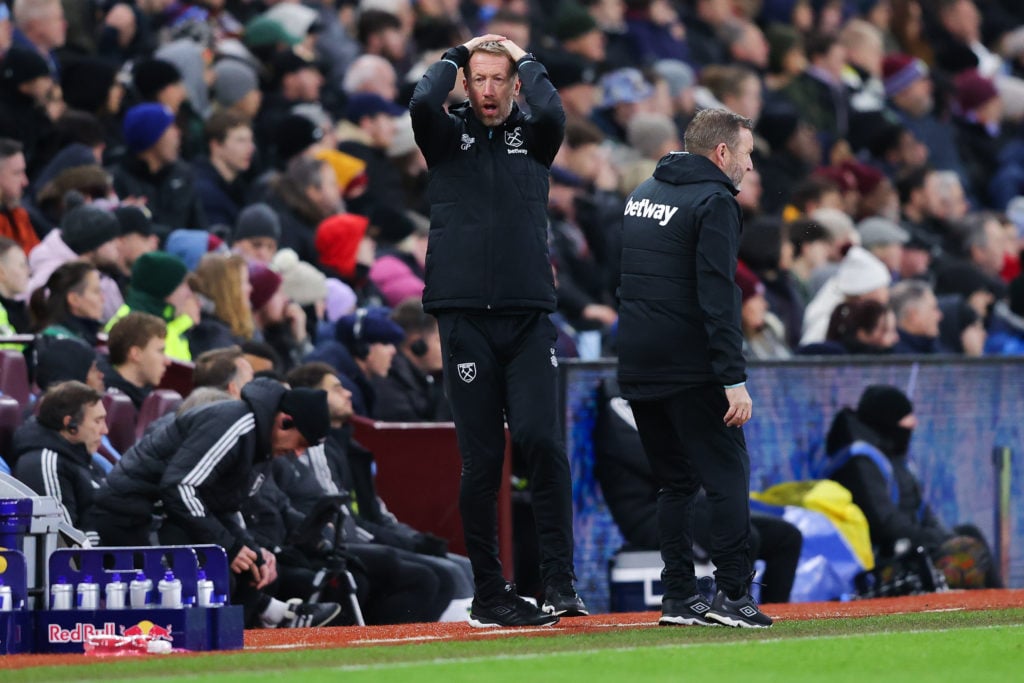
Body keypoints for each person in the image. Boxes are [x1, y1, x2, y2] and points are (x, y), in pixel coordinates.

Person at [410, 33, 586, 627]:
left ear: (515, 84)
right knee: (482, 460)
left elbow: (556, 110)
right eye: (477, 79)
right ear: (466, 82)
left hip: (530, 315)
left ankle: (560, 580)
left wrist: (523, 56)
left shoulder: (535, 138)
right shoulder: (444, 136)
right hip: (463, 317)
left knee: (541, 441)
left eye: (498, 79)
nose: (486, 90)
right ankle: (490, 592)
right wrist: (457, 55)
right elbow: (418, 104)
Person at [616, 108, 772, 628]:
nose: (749, 166)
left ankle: (680, 596)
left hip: (638, 360)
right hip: (691, 365)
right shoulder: (714, 202)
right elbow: (718, 297)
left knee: (674, 484)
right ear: (722, 152)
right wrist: (733, 378)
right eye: (747, 153)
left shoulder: (642, 193)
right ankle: (732, 594)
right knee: (727, 475)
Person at [87, 377, 342, 628]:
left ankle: (259, 630)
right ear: (285, 421)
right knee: (217, 573)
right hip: (130, 515)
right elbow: (180, 486)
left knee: (252, 569)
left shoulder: (260, 444)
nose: (298, 453)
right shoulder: (236, 424)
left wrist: (249, 548)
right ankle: (209, 645)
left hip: (164, 512)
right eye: (301, 443)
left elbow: (224, 504)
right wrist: (229, 547)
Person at [823, 385, 1001, 589]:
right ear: (887, 421)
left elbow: (920, 509)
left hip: (913, 544)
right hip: (888, 559)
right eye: (906, 417)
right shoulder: (858, 462)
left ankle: (1006, 606)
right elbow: (885, 525)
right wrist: (933, 539)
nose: (914, 423)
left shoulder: (890, 455)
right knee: (967, 550)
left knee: (968, 532)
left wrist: (939, 535)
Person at [11, 381, 107, 530]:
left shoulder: (86, 459)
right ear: (70, 424)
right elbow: (64, 537)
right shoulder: (43, 463)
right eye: (97, 421)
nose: (104, 430)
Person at [102, 311, 170, 409]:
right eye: (160, 351)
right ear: (136, 354)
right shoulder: (104, 402)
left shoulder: (148, 400)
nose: (167, 362)